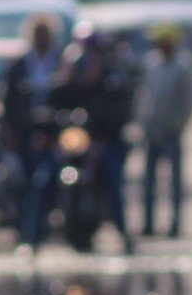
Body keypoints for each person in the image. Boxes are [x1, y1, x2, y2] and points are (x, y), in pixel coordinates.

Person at [41, 33, 136, 252]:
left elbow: (119, 116)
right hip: (70, 147)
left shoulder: (111, 83)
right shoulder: (63, 85)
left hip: (101, 144)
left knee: (113, 178)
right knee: (44, 180)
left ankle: (123, 233)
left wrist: (100, 126)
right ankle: (32, 235)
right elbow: (48, 112)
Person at [0, 13, 63, 248]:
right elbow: (8, 100)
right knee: (26, 183)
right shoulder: (19, 66)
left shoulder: (60, 62)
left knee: (50, 179)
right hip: (25, 132)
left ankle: (46, 226)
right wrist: (9, 130)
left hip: (54, 132)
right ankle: (28, 230)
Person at [134, 23, 192, 239]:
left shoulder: (183, 67)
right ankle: (148, 223)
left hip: (172, 131)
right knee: (148, 181)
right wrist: (142, 123)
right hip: (152, 130)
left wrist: (176, 125)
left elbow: (188, 101)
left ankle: (175, 224)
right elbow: (145, 96)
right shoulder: (152, 63)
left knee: (174, 182)